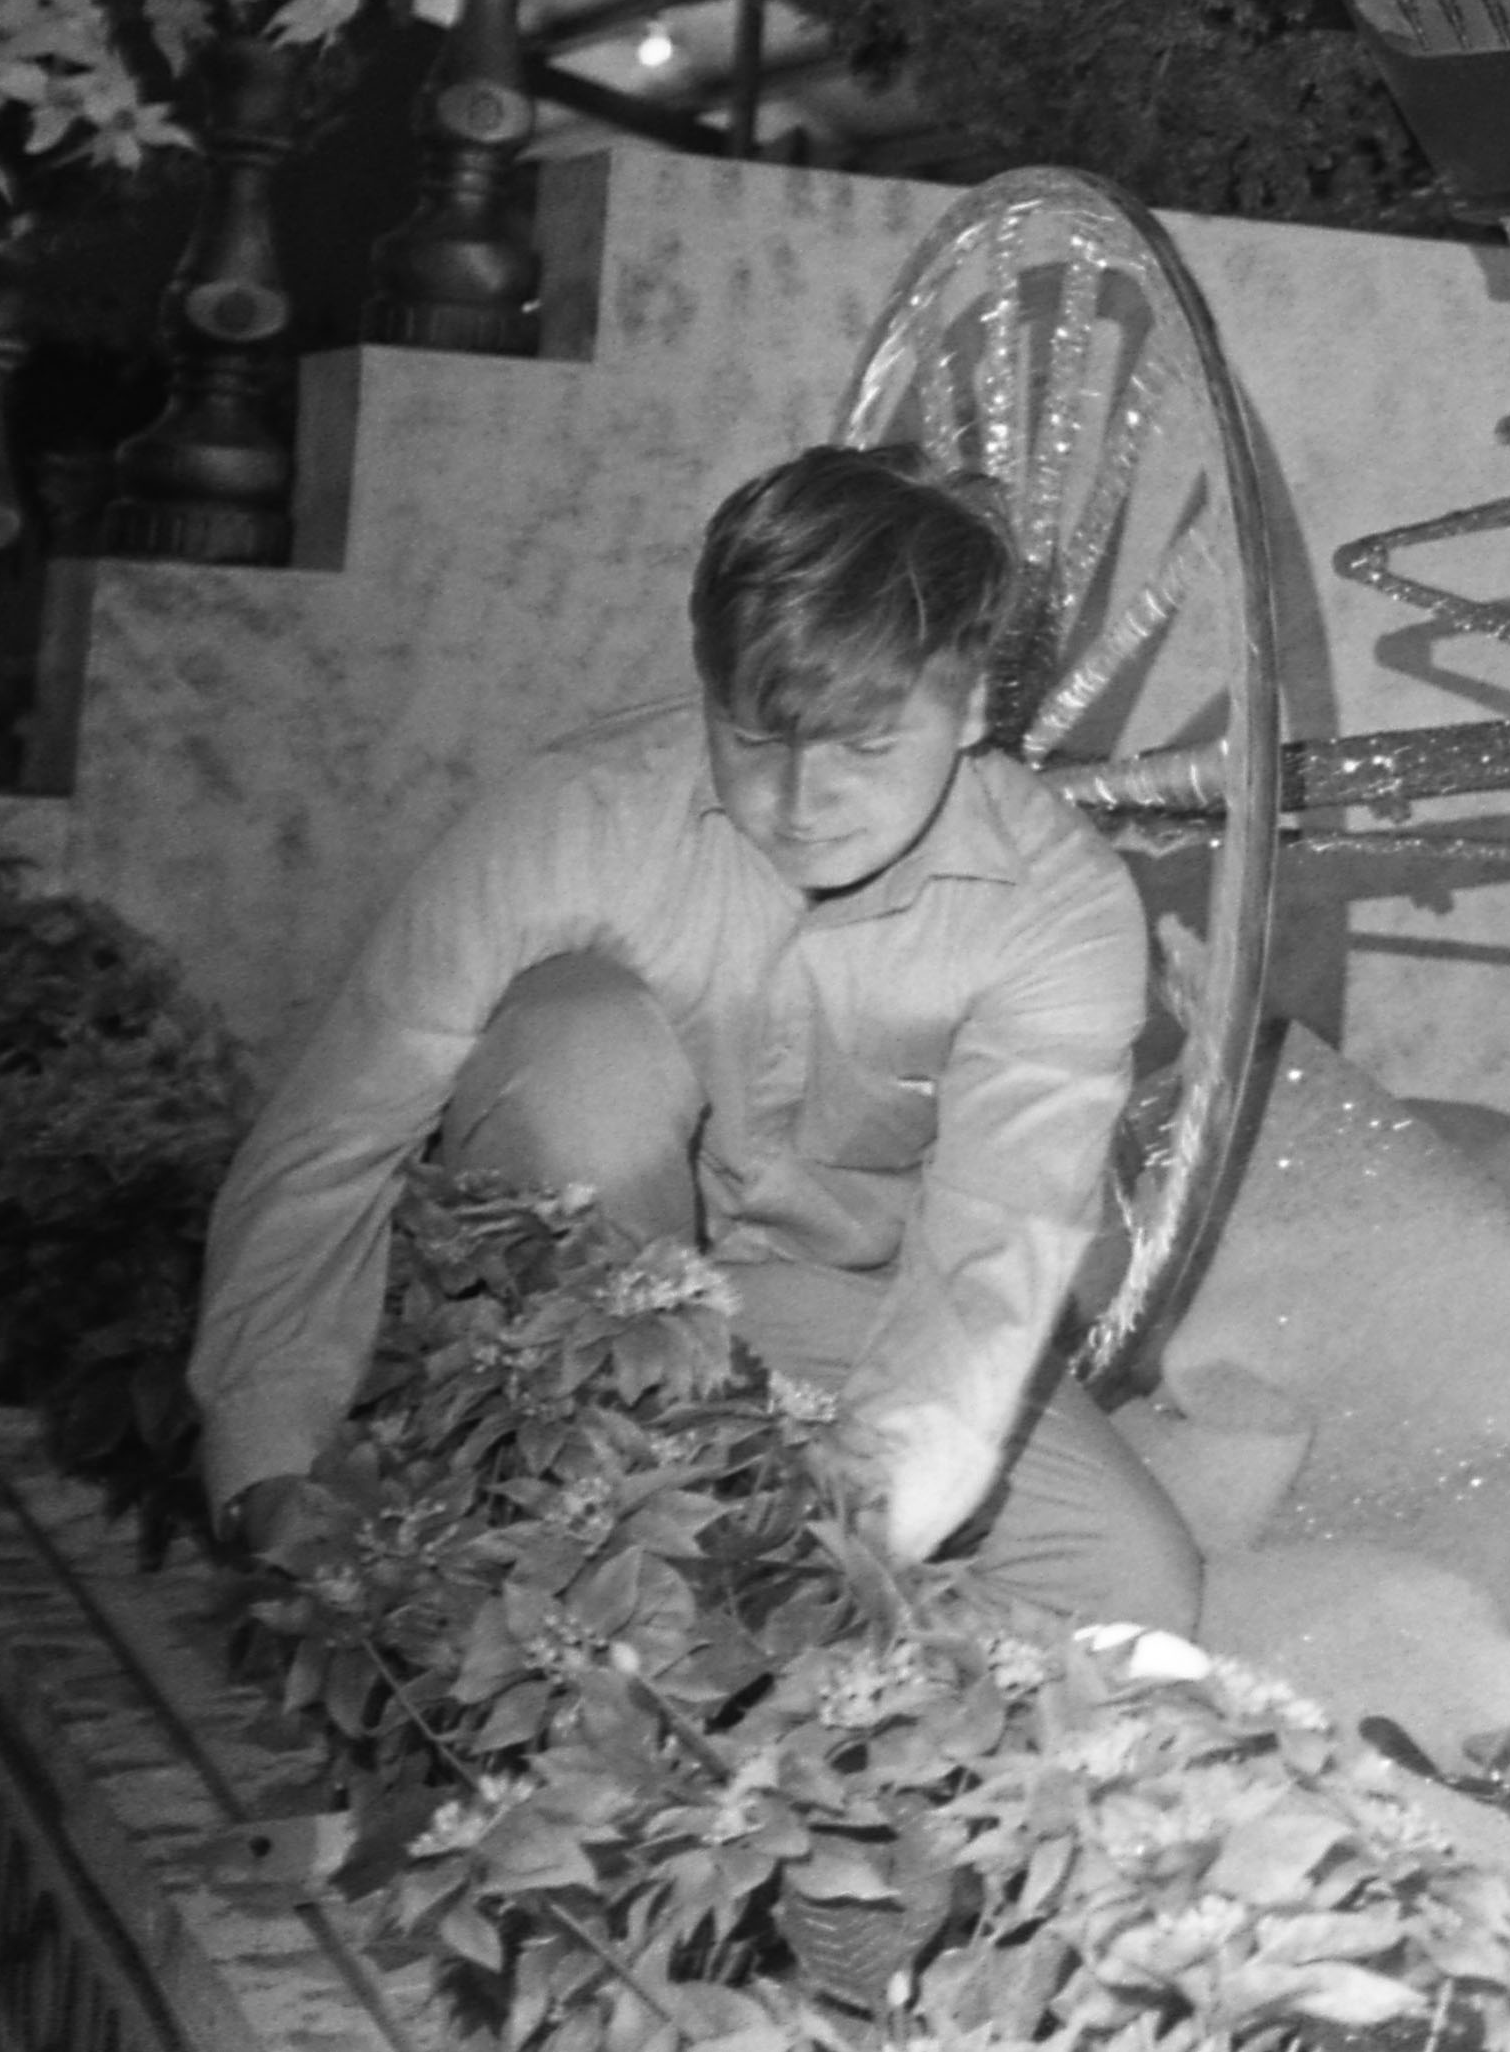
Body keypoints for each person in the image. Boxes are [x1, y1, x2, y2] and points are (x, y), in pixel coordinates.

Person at [188, 446, 1203, 1633]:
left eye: (868, 744)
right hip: (560, 1282)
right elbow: (338, 1131)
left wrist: (844, 1542)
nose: (803, 797)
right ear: (707, 680)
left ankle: (711, 1628)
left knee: (1133, 1591)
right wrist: (268, 1464)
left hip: (842, 1313)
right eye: (757, 735)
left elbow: (988, 1262)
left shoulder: (1058, 904)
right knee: (584, 1036)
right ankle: (527, 1474)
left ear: (973, 700)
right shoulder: (577, 810)